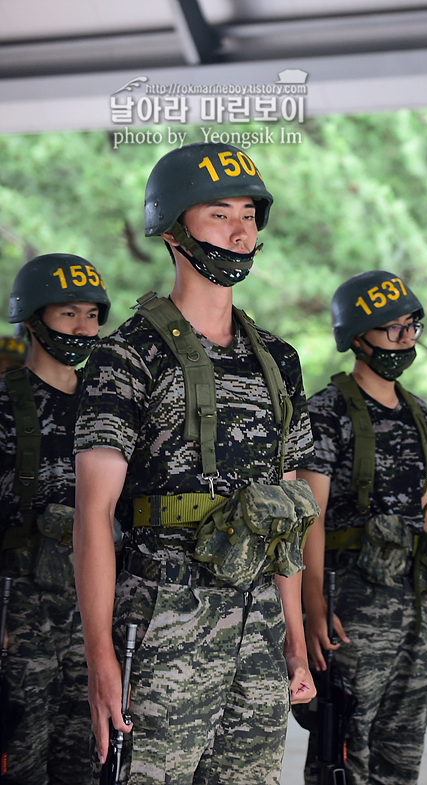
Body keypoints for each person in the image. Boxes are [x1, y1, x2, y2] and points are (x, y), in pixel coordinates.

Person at [73, 142, 316, 785]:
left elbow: (286, 511)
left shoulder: (280, 361)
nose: (240, 231)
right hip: (162, 621)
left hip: (260, 627)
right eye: (218, 214)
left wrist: (294, 636)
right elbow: (92, 515)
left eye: (249, 214)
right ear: (174, 229)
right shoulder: (126, 357)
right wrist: (100, 658)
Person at [297, 270, 427, 784]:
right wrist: (313, 607)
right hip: (352, 607)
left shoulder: (420, 414)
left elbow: (425, 515)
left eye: (413, 327)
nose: (406, 339)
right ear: (357, 337)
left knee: (404, 747)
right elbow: (310, 516)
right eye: (393, 329)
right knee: (343, 751)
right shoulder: (327, 411)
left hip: (409, 609)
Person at [1, 253, 109, 784]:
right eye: (69, 314)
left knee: (89, 764)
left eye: (92, 315)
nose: (83, 327)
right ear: (32, 316)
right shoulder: (5, 402)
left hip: (96, 617)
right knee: (19, 759)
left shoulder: (111, 405)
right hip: (20, 616)